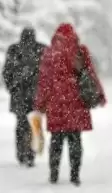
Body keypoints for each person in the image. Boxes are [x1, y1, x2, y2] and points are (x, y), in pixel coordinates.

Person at [34, 23, 106, 186]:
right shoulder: (80, 50)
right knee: (75, 139)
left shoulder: (50, 53)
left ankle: (54, 174)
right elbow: (91, 74)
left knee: (56, 140)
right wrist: (99, 95)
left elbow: (44, 81)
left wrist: (40, 103)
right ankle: (75, 175)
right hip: (76, 102)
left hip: (56, 103)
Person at [2, 27, 46, 167]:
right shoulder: (42, 49)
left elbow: (6, 72)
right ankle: (30, 153)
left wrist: (12, 88)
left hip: (19, 94)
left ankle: (22, 152)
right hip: (36, 95)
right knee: (34, 123)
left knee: (21, 124)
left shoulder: (14, 49)